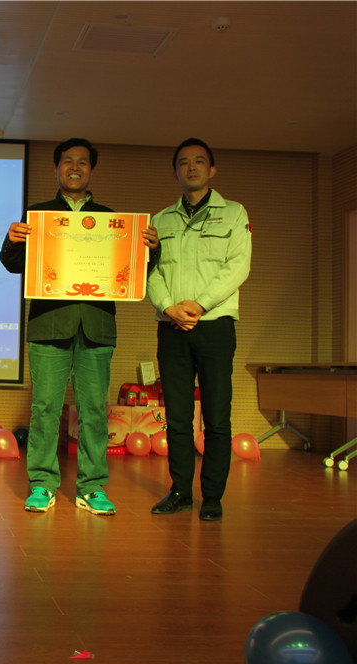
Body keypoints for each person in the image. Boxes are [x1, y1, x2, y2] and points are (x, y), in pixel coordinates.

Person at [0, 138, 158, 516]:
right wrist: (12, 240)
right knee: (45, 409)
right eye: (67, 161)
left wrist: (151, 249)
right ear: (56, 168)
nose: (75, 167)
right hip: (48, 326)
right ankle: (42, 484)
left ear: (91, 170)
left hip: (96, 327)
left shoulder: (111, 219)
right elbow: (12, 264)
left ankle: (92, 487)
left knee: (94, 411)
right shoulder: (38, 216)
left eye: (82, 162)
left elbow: (135, 272)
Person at [148, 138, 251, 522]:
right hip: (171, 327)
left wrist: (200, 305)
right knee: (177, 418)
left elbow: (238, 266)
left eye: (199, 161)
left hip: (215, 326)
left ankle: (212, 496)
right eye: (184, 162)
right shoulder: (160, 220)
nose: (191, 168)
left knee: (217, 416)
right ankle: (179, 492)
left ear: (212, 169)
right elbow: (149, 270)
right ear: (175, 171)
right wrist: (168, 307)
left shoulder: (234, 213)